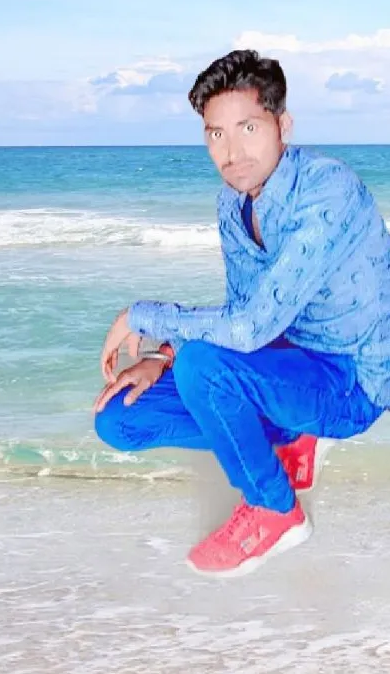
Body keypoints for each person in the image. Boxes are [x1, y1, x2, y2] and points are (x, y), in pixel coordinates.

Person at [93, 49, 390, 578]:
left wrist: (145, 316)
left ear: (283, 125)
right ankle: (288, 436)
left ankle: (277, 511)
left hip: (350, 382)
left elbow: (251, 327)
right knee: (121, 418)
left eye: (248, 127)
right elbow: (243, 313)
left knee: (204, 368)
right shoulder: (233, 204)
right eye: (215, 134)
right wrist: (163, 355)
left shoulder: (328, 191)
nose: (232, 151)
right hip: (285, 362)